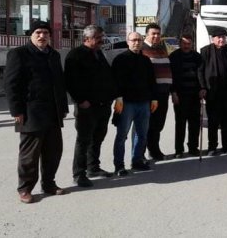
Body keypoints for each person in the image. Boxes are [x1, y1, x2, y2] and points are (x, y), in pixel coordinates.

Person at [5, 20, 69, 203]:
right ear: (31, 35)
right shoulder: (19, 54)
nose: (42, 36)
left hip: (52, 112)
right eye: (38, 33)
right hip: (30, 112)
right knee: (29, 154)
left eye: (45, 33)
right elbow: (11, 85)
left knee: (54, 151)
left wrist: (63, 107)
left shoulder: (53, 55)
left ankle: (49, 184)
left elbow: (60, 83)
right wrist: (16, 110)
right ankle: (25, 189)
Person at [65, 25, 117, 187]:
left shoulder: (98, 53)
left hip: (103, 104)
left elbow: (106, 76)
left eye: (102, 36)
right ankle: (79, 173)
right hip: (87, 106)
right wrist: (81, 100)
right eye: (98, 37)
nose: (102, 40)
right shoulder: (75, 55)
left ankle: (93, 167)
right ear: (87, 39)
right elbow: (70, 81)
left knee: (98, 137)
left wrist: (111, 97)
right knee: (84, 139)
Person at [111, 32, 158, 176]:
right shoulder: (120, 59)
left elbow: (151, 81)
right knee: (122, 135)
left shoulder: (146, 60)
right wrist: (118, 97)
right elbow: (114, 81)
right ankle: (119, 165)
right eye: (134, 40)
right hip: (126, 104)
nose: (137, 42)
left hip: (144, 103)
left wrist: (154, 98)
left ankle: (137, 160)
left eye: (139, 40)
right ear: (128, 42)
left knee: (142, 134)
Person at [198, 27, 227, 156]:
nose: (221, 39)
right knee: (213, 121)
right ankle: (212, 147)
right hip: (212, 93)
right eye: (219, 37)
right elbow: (200, 71)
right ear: (213, 39)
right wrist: (202, 87)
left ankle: (226, 145)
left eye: (223, 37)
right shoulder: (205, 51)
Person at [141, 23, 174, 161]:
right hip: (149, 95)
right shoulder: (141, 49)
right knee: (145, 125)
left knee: (158, 124)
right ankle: (139, 154)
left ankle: (154, 151)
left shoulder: (163, 48)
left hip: (163, 93)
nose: (156, 36)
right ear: (147, 34)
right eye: (153, 33)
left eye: (158, 34)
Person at [169, 34, 203, 158]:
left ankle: (193, 147)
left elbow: (201, 74)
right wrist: (173, 93)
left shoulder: (197, 57)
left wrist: (202, 89)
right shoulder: (173, 57)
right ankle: (179, 150)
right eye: (184, 43)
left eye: (189, 43)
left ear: (192, 44)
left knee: (194, 124)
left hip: (195, 96)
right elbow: (171, 77)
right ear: (180, 43)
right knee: (180, 124)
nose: (186, 46)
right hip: (180, 96)